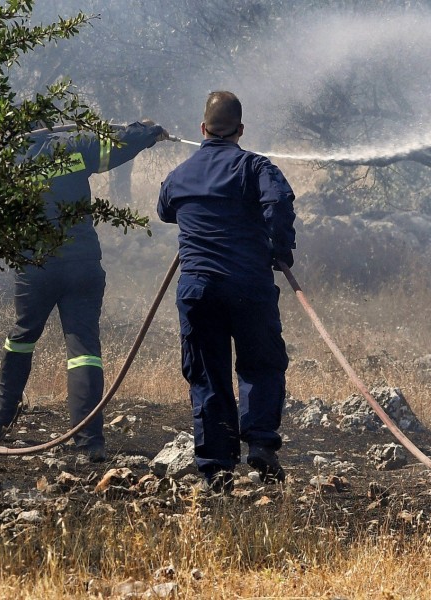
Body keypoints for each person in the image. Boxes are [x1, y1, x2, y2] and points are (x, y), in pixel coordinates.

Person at [0, 120, 168, 462]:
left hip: (34, 267)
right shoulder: (73, 144)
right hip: (81, 263)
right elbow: (117, 145)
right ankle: (89, 442)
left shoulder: (7, 159)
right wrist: (146, 131)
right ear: (46, 127)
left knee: (22, 337)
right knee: (83, 348)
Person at [157, 91, 296, 493]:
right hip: (248, 287)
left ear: (202, 129)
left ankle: (217, 468)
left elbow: (165, 209)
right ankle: (260, 444)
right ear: (240, 130)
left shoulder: (180, 174)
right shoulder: (254, 167)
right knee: (261, 364)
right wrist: (280, 248)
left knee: (208, 374)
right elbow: (280, 202)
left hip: (198, 290)